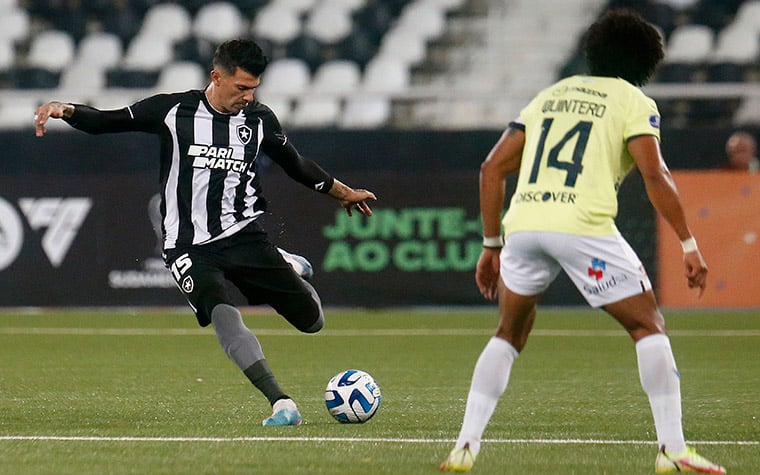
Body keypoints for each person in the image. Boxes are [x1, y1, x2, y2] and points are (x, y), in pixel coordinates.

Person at [33, 38, 377, 427]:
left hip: (242, 235)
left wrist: (343, 192)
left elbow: (295, 164)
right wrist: (67, 109)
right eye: (242, 87)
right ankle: (281, 402)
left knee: (312, 321)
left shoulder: (260, 121)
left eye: (254, 88)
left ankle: (287, 264)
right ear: (217, 76)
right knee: (221, 312)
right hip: (186, 245)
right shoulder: (174, 109)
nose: (248, 96)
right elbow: (108, 121)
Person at [440, 10, 725, 474]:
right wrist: (689, 243)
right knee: (648, 326)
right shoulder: (634, 100)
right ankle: (674, 452)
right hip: (581, 225)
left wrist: (492, 244)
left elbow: (492, 168)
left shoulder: (552, 93)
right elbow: (655, 174)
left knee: (509, 334)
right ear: (645, 62)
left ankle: (465, 447)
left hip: (525, 224)